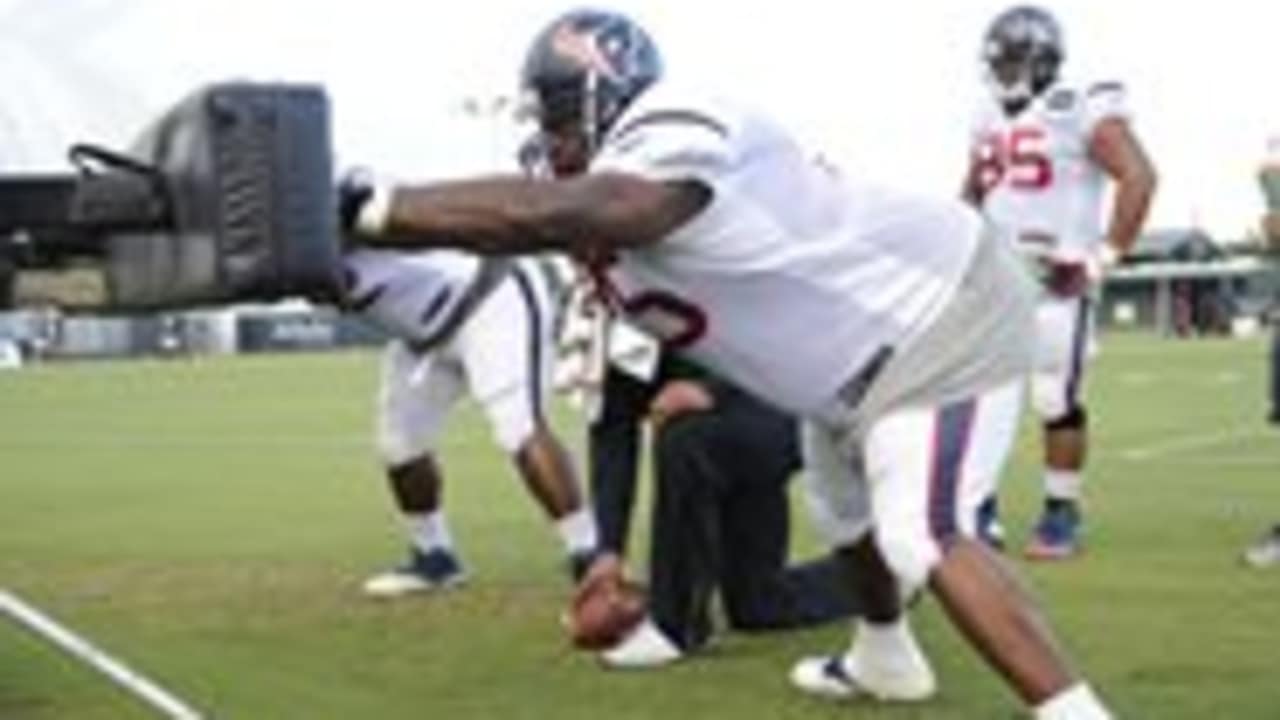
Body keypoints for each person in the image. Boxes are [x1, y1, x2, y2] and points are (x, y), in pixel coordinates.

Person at [340, 8, 1115, 717]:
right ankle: (886, 658)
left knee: (921, 531)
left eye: (560, 116)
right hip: (846, 371)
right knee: (845, 518)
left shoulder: (676, 123)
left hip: (943, 310)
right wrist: (601, 555)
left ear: (608, 97)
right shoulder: (604, 246)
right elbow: (607, 391)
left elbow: (615, 206)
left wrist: (380, 205)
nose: (552, 141)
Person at [961, 5, 1157, 559]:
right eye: (998, 61)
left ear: (1043, 60)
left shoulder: (1081, 102)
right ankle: (978, 505)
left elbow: (1139, 175)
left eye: (1013, 60)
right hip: (996, 277)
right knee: (978, 396)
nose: (1003, 71)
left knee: (1053, 399)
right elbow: (972, 192)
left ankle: (1061, 510)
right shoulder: (987, 112)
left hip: (1057, 276)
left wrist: (1103, 257)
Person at [345, 242, 600, 596]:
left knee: (520, 429)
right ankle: (434, 556)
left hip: (487, 295)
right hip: (421, 330)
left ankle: (588, 553)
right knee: (399, 443)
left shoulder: (324, 210)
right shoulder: (277, 239)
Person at [583, 343, 857, 668]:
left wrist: (712, 389)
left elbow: (778, 327)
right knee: (758, 606)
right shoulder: (615, 315)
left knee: (684, 440)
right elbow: (613, 426)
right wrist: (609, 551)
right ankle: (878, 576)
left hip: (789, 402)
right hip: (731, 429)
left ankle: (676, 627)